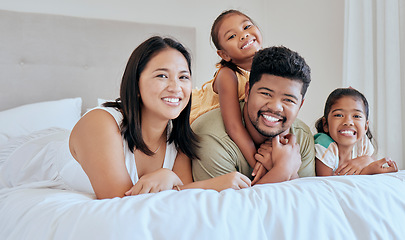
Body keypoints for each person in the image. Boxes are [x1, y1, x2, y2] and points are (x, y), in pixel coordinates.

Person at [0, 36, 251, 199]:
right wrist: (206, 183)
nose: (176, 87)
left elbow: (181, 193)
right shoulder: (100, 124)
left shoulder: (180, 138)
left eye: (183, 77)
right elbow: (118, 200)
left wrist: (171, 177)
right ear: (136, 82)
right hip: (19, 158)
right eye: (162, 75)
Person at [192, 46, 316, 185]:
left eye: (288, 100)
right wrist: (284, 170)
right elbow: (230, 207)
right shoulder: (213, 139)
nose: (275, 107)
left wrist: (291, 173)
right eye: (266, 94)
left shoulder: (302, 136)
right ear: (247, 91)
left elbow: (306, 202)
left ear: (300, 105)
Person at [190, 10, 263, 177]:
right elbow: (234, 126)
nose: (244, 35)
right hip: (194, 115)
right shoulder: (227, 75)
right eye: (232, 36)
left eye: (247, 26)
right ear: (224, 54)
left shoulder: (268, 69)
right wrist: (257, 164)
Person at [314, 88, 398, 176]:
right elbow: (326, 184)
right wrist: (366, 170)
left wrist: (368, 160)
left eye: (356, 116)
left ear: (366, 126)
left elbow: (373, 163)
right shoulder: (324, 145)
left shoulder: (362, 142)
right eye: (339, 115)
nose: (348, 122)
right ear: (325, 125)